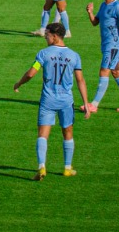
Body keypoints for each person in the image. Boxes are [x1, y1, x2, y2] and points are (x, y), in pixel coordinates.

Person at [14, 23, 94, 181]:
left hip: (48, 100)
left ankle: (41, 166)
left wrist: (19, 83)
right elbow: (80, 80)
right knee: (68, 132)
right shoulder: (74, 56)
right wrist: (86, 103)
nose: (45, 38)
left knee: (43, 134)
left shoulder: (43, 54)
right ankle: (67, 168)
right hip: (66, 101)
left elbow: (31, 74)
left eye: (47, 36)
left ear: (55, 37)